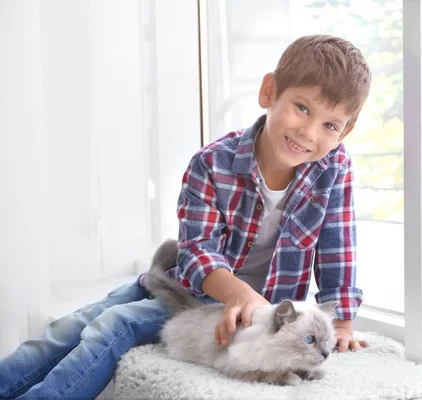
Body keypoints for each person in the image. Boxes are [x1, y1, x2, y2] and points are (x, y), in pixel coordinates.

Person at [0, 34, 371, 399]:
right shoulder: (213, 162)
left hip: (223, 312)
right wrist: (238, 293)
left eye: (330, 125)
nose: (308, 132)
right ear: (269, 92)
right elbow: (196, 250)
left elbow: (337, 247)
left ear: (345, 132)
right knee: (75, 324)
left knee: (114, 324)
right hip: (193, 286)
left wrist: (342, 323)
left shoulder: (334, 168)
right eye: (302, 108)